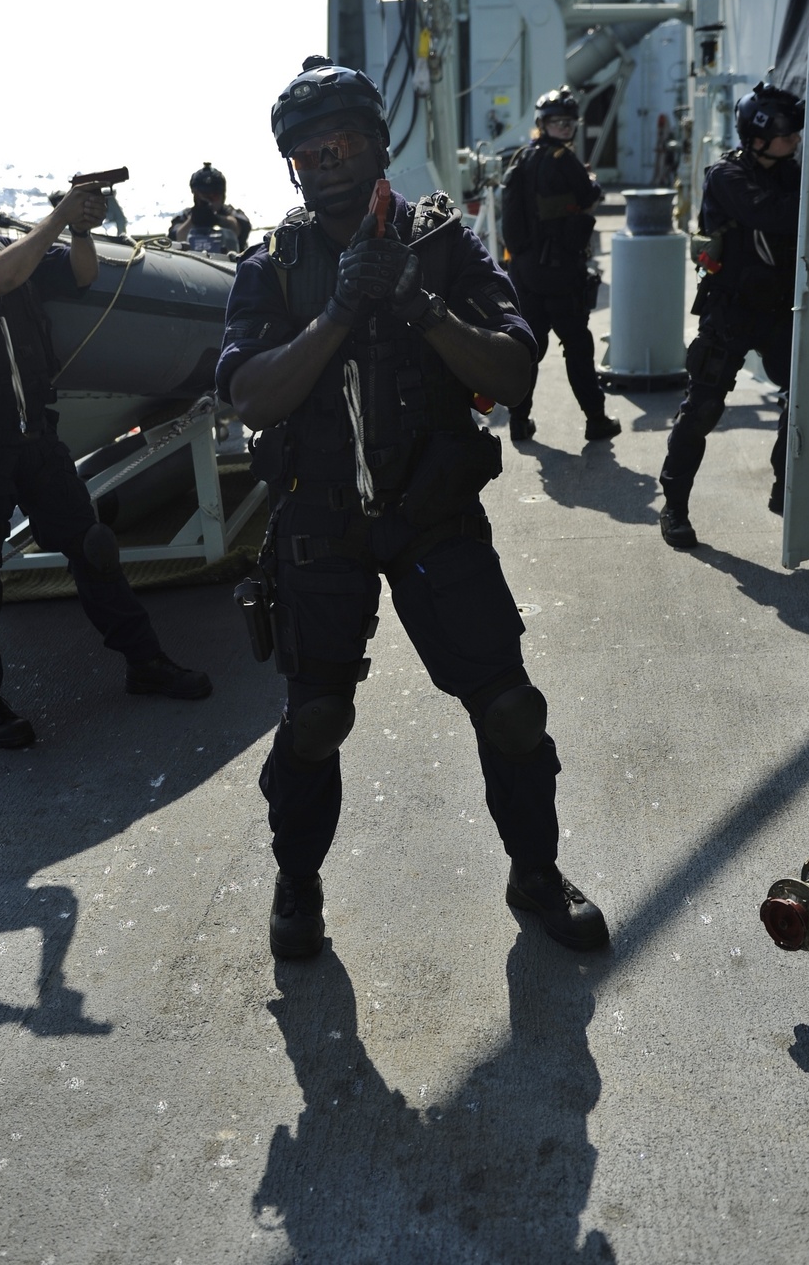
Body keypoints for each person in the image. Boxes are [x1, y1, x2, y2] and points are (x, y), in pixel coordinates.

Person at [217, 56, 608, 959]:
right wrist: (339, 313)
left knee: (510, 707)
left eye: (343, 141)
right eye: (307, 153)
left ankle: (536, 873)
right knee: (315, 720)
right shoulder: (271, 266)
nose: (327, 162)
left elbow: (513, 375)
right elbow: (253, 398)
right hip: (320, 525)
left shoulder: (443, 244)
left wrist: (421, 304)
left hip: (434, 515)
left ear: (378, 143)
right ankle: (297, 883)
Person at [0, 132, 212, 750]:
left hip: (35, 435)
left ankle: (145, 662)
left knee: (92, 548)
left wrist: (81, 228)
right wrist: (57, 214)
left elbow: (78, 275)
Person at [658, 82, 803, 548]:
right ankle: (674, 505)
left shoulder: (792, 173)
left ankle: (788, 487)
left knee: (804, 398)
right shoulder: (727, 176)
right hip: (732, 310)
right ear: (758, 138)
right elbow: (776, 217)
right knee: (702, 408)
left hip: (780, 310)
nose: (796, 140)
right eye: (786, 133)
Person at [500, 87, 620, 444]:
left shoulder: (522, 157)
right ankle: (596, 419)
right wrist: (592, 182)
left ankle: (519, 422)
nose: (565, 127)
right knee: (578, 349)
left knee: (530, 349)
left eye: (569, 122)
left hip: (524, 272)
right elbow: (588, 196)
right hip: (559, 273)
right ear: (544, 124)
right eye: (558, 122)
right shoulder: (563, 159)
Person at [168, 163, 251, 254]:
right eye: (202, 196)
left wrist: (216, 219)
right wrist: (194, 219)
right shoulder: (185, 217)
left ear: (222, 196)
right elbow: (176, 236)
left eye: (213, 196)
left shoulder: (231, 213)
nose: (208, 201)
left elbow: (240, 227)